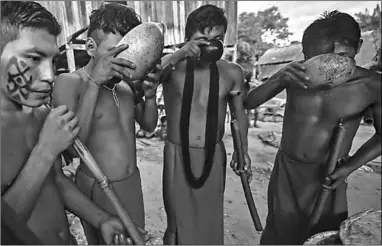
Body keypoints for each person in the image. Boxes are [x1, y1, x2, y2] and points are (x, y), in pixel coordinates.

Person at [0, 1, 134, 245]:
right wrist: (45, 150)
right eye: (33, 58)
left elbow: (57, 182)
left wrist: (101, 218)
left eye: (52, 61)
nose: (49, 76)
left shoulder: (41, 116)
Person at [245, 10, 381, 244]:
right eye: (317, 60)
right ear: (306, 54)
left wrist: (349, 167)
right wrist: (279, 78)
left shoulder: (371, 85)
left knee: (322, 236)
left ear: (358, 47)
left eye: (340, 58)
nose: (326, 71)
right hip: (288, 170)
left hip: (329, 174)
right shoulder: (296, 74)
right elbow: (249, 102)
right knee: (279, 232)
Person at [51, 2, 160, 245]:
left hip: (132, 183)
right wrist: (94, 83)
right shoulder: (69, 82)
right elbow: (71, 148)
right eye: (115, 52)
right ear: (91, 47)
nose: (122, 61)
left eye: (128, 53)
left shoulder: (124, 86)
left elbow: (150, 126)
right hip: (99, 186)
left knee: (134, 240)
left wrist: (150, 96)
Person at [159, 4, 251, 245]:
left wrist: (243, 152)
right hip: (177, 153)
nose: (211, 44)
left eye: (217, 38)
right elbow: (145, 73)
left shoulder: (232, 72)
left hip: (213, 153)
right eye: (202, 38)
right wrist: (180, 53)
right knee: (176, 226)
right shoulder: (173, 67)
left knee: (210, 220)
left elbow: (239, 114)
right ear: (188, 39)